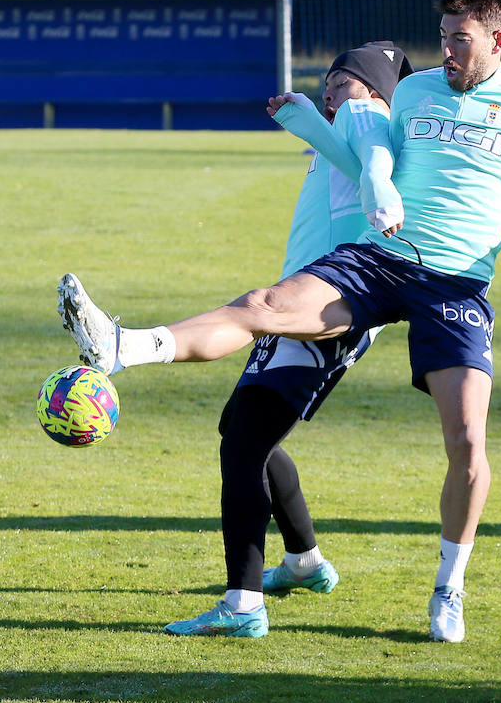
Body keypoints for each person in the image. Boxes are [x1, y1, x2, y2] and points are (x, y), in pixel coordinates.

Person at [59, 0, 501, 643]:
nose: (446, 50)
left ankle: (448, 586)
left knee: (465, 439)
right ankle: (122, 345)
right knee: (263, 307)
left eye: (459, 39)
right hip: (380, 258)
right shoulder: (414, 92)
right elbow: (370, 152)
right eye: (442, 36)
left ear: (497, 38)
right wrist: (354, 164)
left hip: (457, 286)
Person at [162, 42, 412, 638]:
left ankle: (242, 605)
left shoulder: (365, 118)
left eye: (346, 81)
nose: (334, 92)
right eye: (329, 82)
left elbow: (369, 171)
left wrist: (303, 116)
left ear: (376, 90)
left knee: (244, 442)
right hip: (315, 305)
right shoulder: (356, 123)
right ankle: (303, 562)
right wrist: (306, 117)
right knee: (247, 433)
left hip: (318, 306)